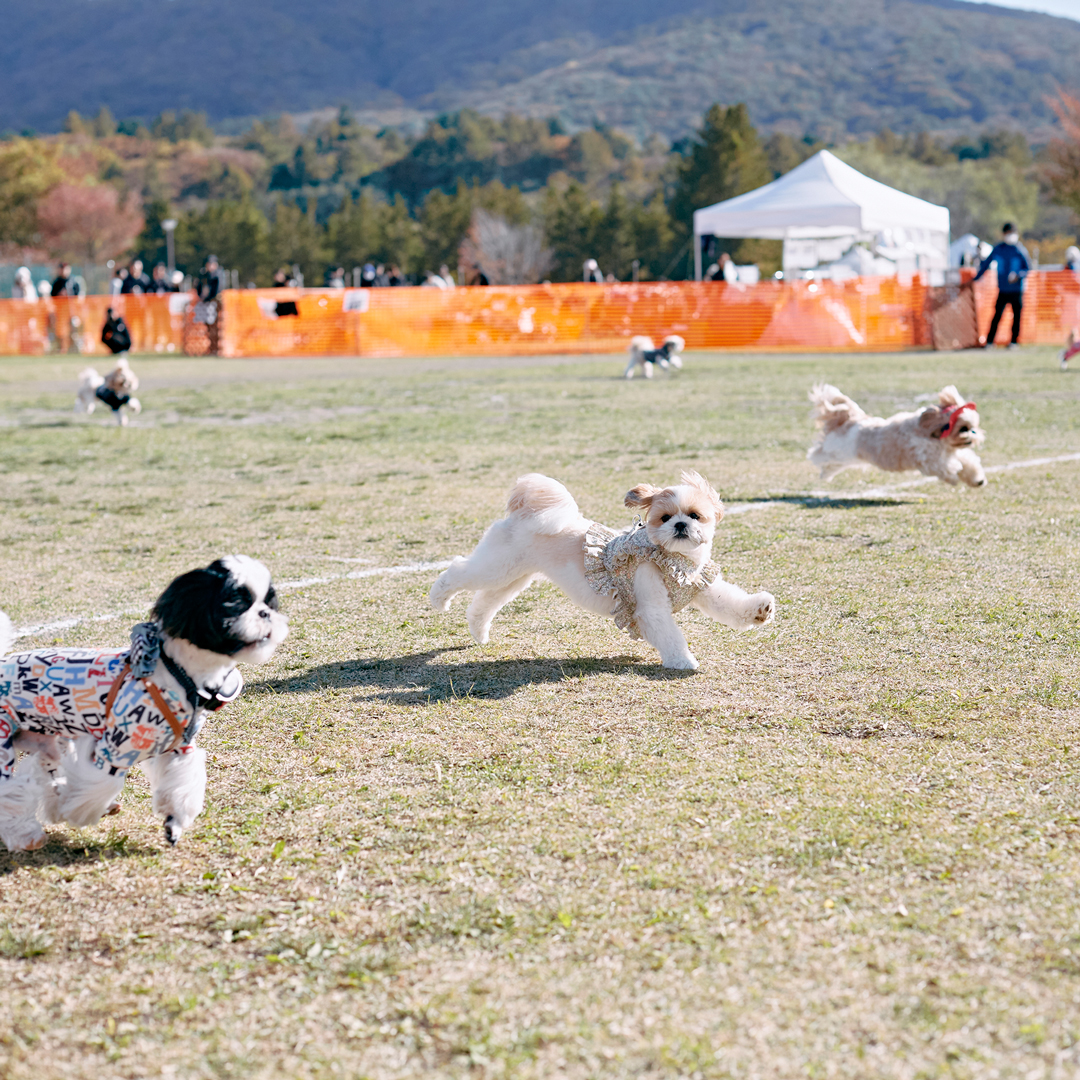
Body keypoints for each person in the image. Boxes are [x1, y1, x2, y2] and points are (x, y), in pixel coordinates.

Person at [969, 222, 1030, 349]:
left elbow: (1028, 268)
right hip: (1002, 290)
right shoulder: (998, 249)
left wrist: (1018, 275)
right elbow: (985, 265)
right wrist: (975, 279)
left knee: (1017, 317)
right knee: (997, 316)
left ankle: (1014, 342)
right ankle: (990, 342)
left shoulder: (1020, 250)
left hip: (1017, 290)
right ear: (1003, 234)